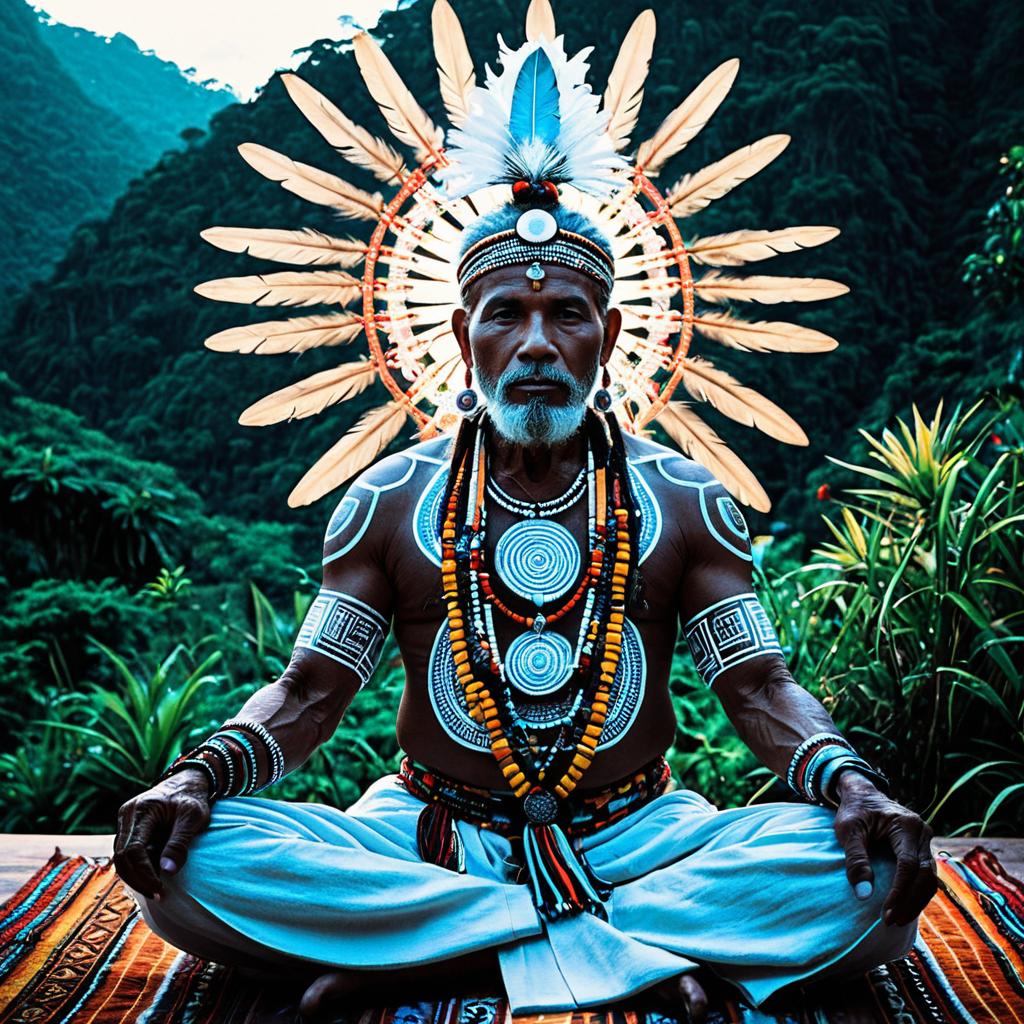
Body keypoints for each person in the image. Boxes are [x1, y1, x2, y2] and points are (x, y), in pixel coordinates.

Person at [114, 11, 937, 1022]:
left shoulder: (683, 499)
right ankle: (611, 948)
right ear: (463, 334)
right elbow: (310, 694)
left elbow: (760, 687)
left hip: (640, 837)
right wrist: (197, 776)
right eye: (506, 313)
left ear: (611, 332)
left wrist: (851, 783)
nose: (536, 342)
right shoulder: (387, 501)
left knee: (859, 875)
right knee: (200, 862)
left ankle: (434, 946)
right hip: (424, 832)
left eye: (566, 314)